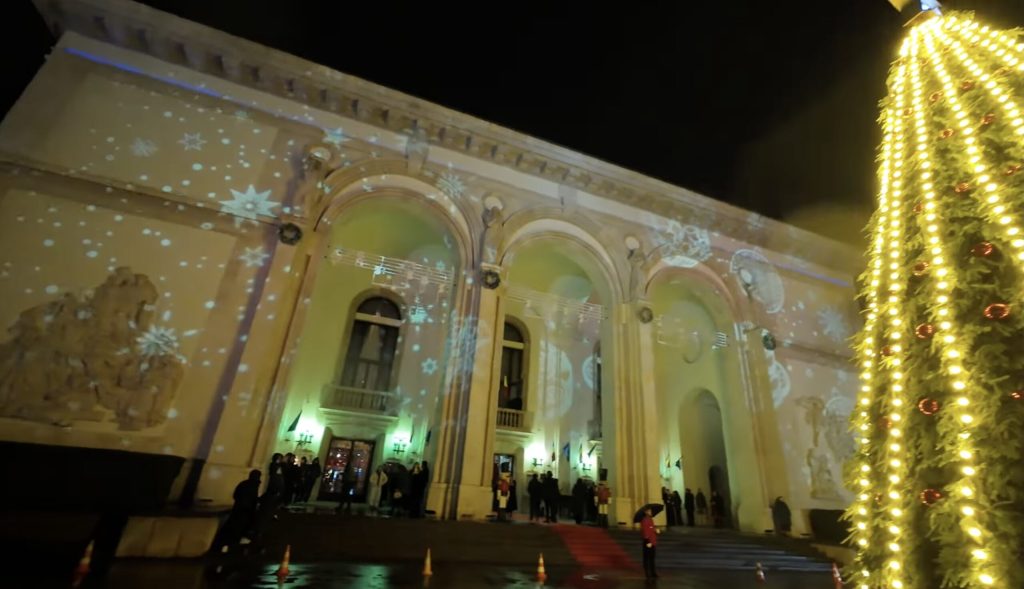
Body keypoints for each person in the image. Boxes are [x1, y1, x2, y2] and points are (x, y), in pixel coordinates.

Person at [212, 469, 261, 552]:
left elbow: (235, 495)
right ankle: (232, 546)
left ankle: (222, 545)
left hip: (238, 508)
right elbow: (253, 499)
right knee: (239, 529)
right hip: (246, 511)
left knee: (232, 526)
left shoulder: (243, 483)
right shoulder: (254, 485)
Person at [640, 506, 659, 580]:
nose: (651, 512)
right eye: (649, 511)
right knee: (647, 558)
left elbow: (651, 528)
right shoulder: (645, 520)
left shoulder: (650, 519)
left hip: (652, 541)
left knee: (652, 558)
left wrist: (655, 530)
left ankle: (653, 572)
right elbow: (645, 531)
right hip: (648, 541)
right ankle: (647, 573)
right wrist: (647, 540)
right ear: (646, 512)